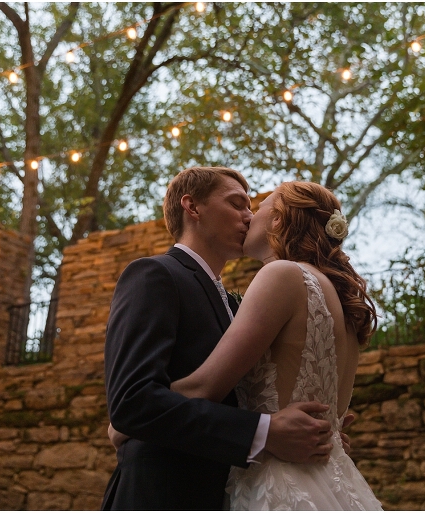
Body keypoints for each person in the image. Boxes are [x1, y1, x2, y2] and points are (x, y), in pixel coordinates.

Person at [101, 167, 337, 511]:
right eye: (238, 204)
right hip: (162, 494)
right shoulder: (154, 274)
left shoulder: (238, 304)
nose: (249, 216)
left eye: (252, 208)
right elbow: (132, 401)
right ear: (192, 207)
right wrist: (263, 432)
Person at [171, 181, 383, 510]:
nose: (247, 216)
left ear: (278, 219)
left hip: (278, 483)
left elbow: (206, 385)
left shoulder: (282, 275)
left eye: (256, 207)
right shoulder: (345, 305)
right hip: (332, 480)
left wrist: (133, 416)